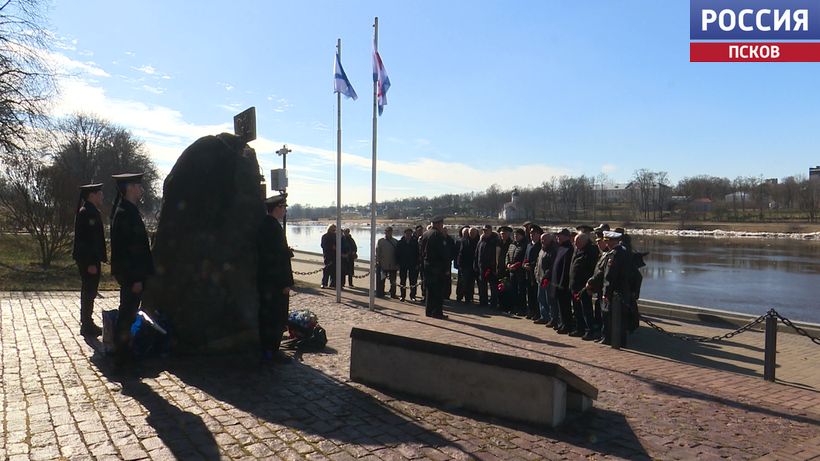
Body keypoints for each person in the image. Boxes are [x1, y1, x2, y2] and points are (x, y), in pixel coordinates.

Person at [110, 173, 155, 366]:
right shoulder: (125, 213)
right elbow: (128, 251)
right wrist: (136, 278)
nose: (141, 189)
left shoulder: (128, 210)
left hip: (133, 275)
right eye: (138, 186)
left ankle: (124, 355)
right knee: (126, 316)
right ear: (129, 188)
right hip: (131, 276)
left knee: (128, 315)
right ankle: (122, 359)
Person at [257, 192, 294, 363]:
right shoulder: (273, 227)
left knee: (269, 316)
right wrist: (285, 282)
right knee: (276, 316)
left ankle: (269, 350)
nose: (285, 210)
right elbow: (277, 259)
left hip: (267, 282)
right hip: (275, 283)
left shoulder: (266, 225)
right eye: (283, 207)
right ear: (276, 208)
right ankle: (272, 351)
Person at [72, 183, 106, 337]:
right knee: (89, 291)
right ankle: (87, 324)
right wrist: (91, 263)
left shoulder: (89, 211)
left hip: (89, 259)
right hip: (88, 260)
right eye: (99, 193)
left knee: (90, 290)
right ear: (92, 195)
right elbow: (87, 241)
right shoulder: (87, 212)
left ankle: (87, 322)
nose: (102, 196)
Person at [568, 232, 599, 340]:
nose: (575, 245)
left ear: (584, 241)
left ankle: (589, 330)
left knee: (586, 310)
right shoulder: (577, 249)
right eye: (575, 242)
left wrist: (588, 286)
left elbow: (591, 270)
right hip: (574, 285)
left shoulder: (591, 251)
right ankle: (579, 328)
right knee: (577, 309)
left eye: (577, 242)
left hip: (584, 286)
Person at [420, 216, 449, 319]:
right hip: (437, 267)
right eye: (441, 224)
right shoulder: (438, 235)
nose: (442, 226)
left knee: (429, 291)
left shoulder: (425, 234)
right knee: (438, 291)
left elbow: (421, 251)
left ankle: (429, 311)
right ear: (437, 224)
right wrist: (446, 268)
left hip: (427, 265)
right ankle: (437, 312)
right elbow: (443, 253)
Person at [550, 228, 574, 334]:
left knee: (565, 305)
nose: (557, 237)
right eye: (557, 235)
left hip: (563, 283)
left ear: (566, 237)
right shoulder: (560, 248)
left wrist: (562, 283)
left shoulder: (569, 249)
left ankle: (567, 325)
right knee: (560, 305)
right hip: (556, 281)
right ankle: (562, 323)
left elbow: (565, 268)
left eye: (559, 235)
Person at [535, 232, 557, 325]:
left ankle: (553, 318)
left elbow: (552, 266)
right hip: (540, 278)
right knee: (541, 298)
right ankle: (544, 316)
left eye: (544, 239)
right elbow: (538, 263)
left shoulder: (553, 251)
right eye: (541, 239)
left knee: (550, 301)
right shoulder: (542, 249)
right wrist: (536, 272)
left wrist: (546, 276)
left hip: (548, 279)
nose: (542, 241)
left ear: (550, 240)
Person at [474, 225, 499, 309]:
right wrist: (476, 265)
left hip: (491, 268)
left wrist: (494, 267)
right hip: (481, 266)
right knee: (482, 286)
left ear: (491, 231)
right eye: (484, 230)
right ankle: (483, 302)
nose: (485, 232)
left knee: (493, 287)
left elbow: (496, 255)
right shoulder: (481, 240)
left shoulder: (495, 241)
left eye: (486, 230)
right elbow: (477, 253)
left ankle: (493, 304)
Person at [505, 227, 528, 316]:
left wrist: (517, 265)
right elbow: (507, 255)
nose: (515, 236)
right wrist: (507, 264)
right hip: (511, 271)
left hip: (520, 272)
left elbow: (525, 258)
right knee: (513, 290)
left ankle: (522, 308)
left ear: (522, 236)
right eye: (514, 235)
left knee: (520, 291)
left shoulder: (525, 245)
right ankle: (514, 307)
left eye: (517, 235)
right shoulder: (512, 245)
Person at [524, 225, 543, 320]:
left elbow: (538, 260)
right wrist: (525, 264)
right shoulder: (529, 245)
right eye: (531, 233)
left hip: (536, 273)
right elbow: (525, 257)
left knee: (536, 294)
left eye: (534, 233)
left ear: (539, 234)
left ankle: (537, 312)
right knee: (530, 293)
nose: (531, 235)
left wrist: (531, 265)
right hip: (528, 273)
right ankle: (531, 310)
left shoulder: (540, 246)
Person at [396, 228, 419, 301]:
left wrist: (417, 264)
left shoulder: (415, 242)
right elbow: (397, 254)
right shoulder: (400, 242)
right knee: (402, 280)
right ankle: (402, 296)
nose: (408, 235)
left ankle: (413, 296)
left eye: (410, 234)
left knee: (413, 281)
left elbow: (418, 254)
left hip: (413, 264)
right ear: (404, 234)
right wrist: (397, 263)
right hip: (403, 264)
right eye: (407, 233)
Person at [375, 226, 399, 298]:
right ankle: (380, 293)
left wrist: (397, 264)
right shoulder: (381, 241)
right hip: (383, 264)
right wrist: (378, 261)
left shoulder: (395, 241)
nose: (388, 233)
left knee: (393, 281)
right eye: (387, 231)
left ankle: (393, 294)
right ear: (385, 232)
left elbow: (398, 253)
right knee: (381, 280)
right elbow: (377, 252)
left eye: (390, 231)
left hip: (393, 265)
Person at [457, 227, 478, 304]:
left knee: (471, 282)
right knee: (464, 282)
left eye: (473, 233)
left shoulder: (478, 241)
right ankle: (461, 296)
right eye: (470, 233)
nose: (471, 234)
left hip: (474, 265)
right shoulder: (464, 241)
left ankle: (469, 297)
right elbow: (461, 253)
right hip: (465, 265)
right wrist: (460, 264)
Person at [320, 224, 337, 288]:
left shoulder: (335, 236)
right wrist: (331, 247)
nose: (334, 231)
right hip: (328, 255)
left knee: (334, 270)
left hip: (335, 255)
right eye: (333, 230)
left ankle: (332, 284)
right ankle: (324, 283)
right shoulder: (325, 236)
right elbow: (323, 245)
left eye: (334, 230)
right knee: (326, 269)